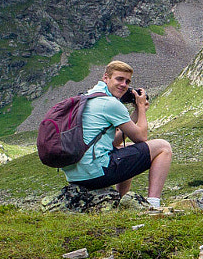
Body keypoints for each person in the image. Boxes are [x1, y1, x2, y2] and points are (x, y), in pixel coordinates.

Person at [62, 60, 173, 208]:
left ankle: (119, 202)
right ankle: (153, 204)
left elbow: (114, 142)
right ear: (106, 78)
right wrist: (140, 107)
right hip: (95, 175)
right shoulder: (110, 103)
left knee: (124, 149)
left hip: (75, 175)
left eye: (127, 82)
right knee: (163, 147)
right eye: (119, 79)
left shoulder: (87, 97)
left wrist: (136, 113)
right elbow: (141, 137)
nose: (124, 85)